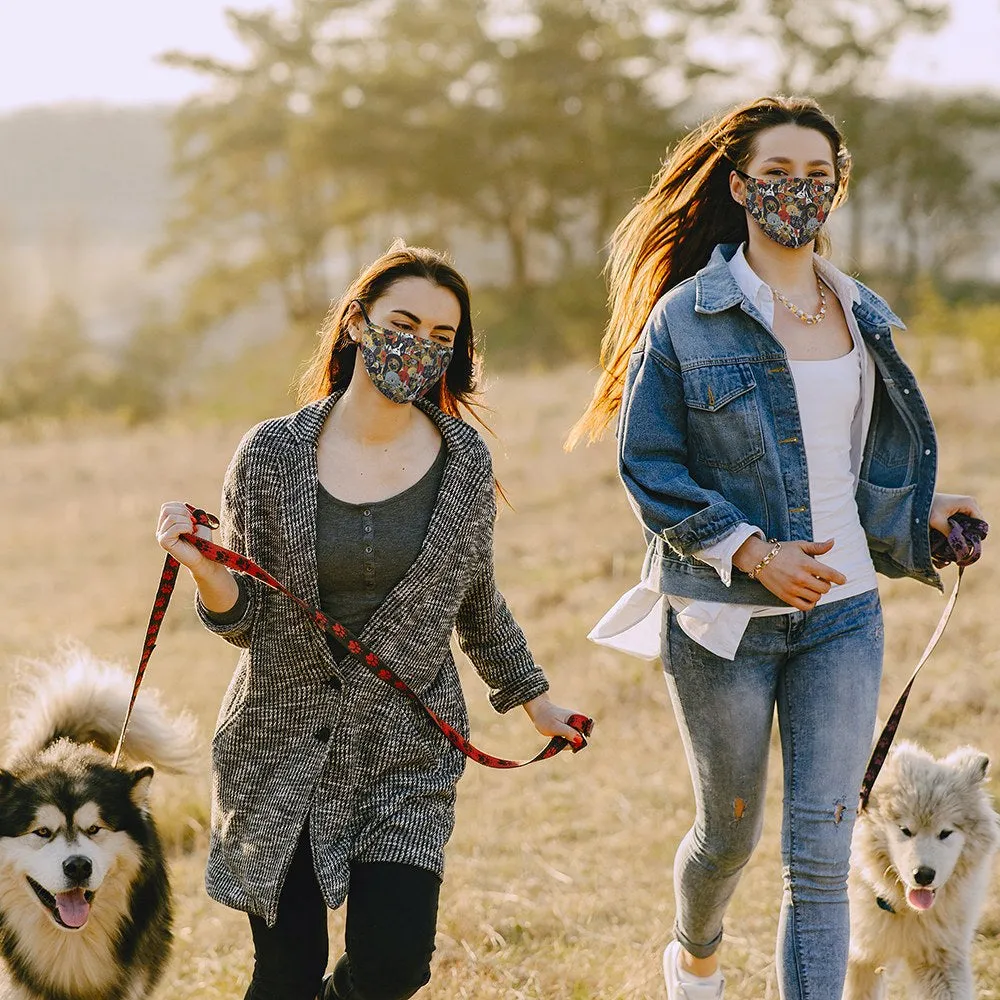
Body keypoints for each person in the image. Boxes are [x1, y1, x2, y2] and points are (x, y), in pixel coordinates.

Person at [568, 96, 985, 1000]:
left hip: (843, 619)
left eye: (818, 179)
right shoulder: (687, 318)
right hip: (724, 622)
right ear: (739, 185)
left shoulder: (860, 314)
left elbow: (844, 464)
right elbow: (650, 467)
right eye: (778, 177)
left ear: (837, 190)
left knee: (821, 851)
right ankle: (696, 955)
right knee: (727, 835)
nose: (799, 193)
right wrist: (754, 553)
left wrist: (925, 514)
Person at [156, 243, 589, 1000]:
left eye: (441, 338)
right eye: (403, 323)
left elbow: (476, 599)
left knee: (394, 967)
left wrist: (534, 700)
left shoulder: (463, 462)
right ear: (357, 323)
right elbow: (243, 622)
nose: (419, 347)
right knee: (285, 974)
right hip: (279, 745)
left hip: (405, 752)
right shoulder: (270, 454)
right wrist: (202, 569)